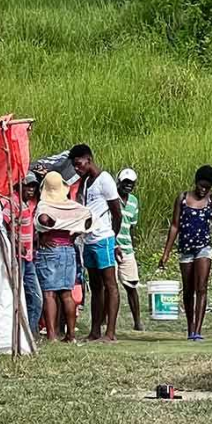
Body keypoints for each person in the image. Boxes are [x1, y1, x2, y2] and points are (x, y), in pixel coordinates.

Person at [159, 165, 212, 342]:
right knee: (188, 289)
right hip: (185, 250)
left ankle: (197, 330)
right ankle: (190, 327)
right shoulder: (183, 198)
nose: (204, 190)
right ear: (196, 182)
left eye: (208, 187)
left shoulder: (211, 201)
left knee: (201, 287)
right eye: (202, 185)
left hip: (203, 248)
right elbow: (175, 225)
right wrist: (166, 253)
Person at [69, 143, 123, 342]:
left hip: (103, 238)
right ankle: (95, 331)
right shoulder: (84, 183)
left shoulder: (105, 179)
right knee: (95, 286)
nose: (77, 168)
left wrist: (113, 237)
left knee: (110, 284)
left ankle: (110, 332)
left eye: (78, 163)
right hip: (89, 239)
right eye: (74, 165)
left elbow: (117, 212)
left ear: (88, 159)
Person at [34, 170, 93, 343]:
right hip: (68, 248)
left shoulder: (45, 206)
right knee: (67, 294)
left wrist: (50, 228)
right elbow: (88, 217)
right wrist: (72, 234)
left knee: (49, 293)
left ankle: (52, 334)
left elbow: (44, 219)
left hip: (50, 249)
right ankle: (71, 335)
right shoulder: (71, 206)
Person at [2, 173, 42, 338]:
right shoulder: (14, 202)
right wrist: (17, 243)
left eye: (33, 186)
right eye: (28, 186)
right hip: (19, 257)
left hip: (28, 257)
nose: (31, 189)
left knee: (36, 297)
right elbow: (4, 221)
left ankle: (30, 333)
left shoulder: (29, 204)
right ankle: (23, 334)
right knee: (19, 295)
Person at [116, 168, 143, 331]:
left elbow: (132, 226)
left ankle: (137, 321)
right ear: (119, 182)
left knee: (131, 285)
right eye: (125, 182)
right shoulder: (112, 198)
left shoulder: (133, 201)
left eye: (131, 183)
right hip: (111, 246)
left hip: (127, 248)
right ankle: (105, 321)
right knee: (109, 286)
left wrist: (132, 247)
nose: (128, 185)